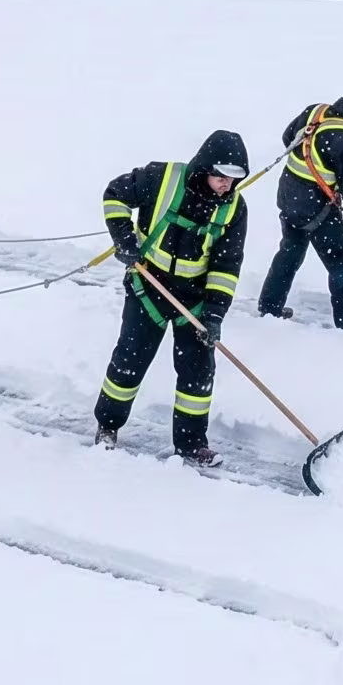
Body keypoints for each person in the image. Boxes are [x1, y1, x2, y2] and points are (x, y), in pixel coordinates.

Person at [95, 130, 251, 466]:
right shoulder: (161, 178)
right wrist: (124, 239)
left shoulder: (234, 209)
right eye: (220, 177)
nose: (226, 185)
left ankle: (192, 444)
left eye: (233, 179)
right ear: (204, 167)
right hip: (147, 287)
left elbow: (226, 265)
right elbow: (114, 195)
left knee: (198, 371)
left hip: (192, 300)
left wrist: (214, 314)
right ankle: (107, 426)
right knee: (130, 360)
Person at [255, 77, 343, 338]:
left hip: (289, 198)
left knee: (290, 252)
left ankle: (269, 306)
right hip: (318, 210)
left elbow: (287, 138)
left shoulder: (316, 110)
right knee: (341, 264)